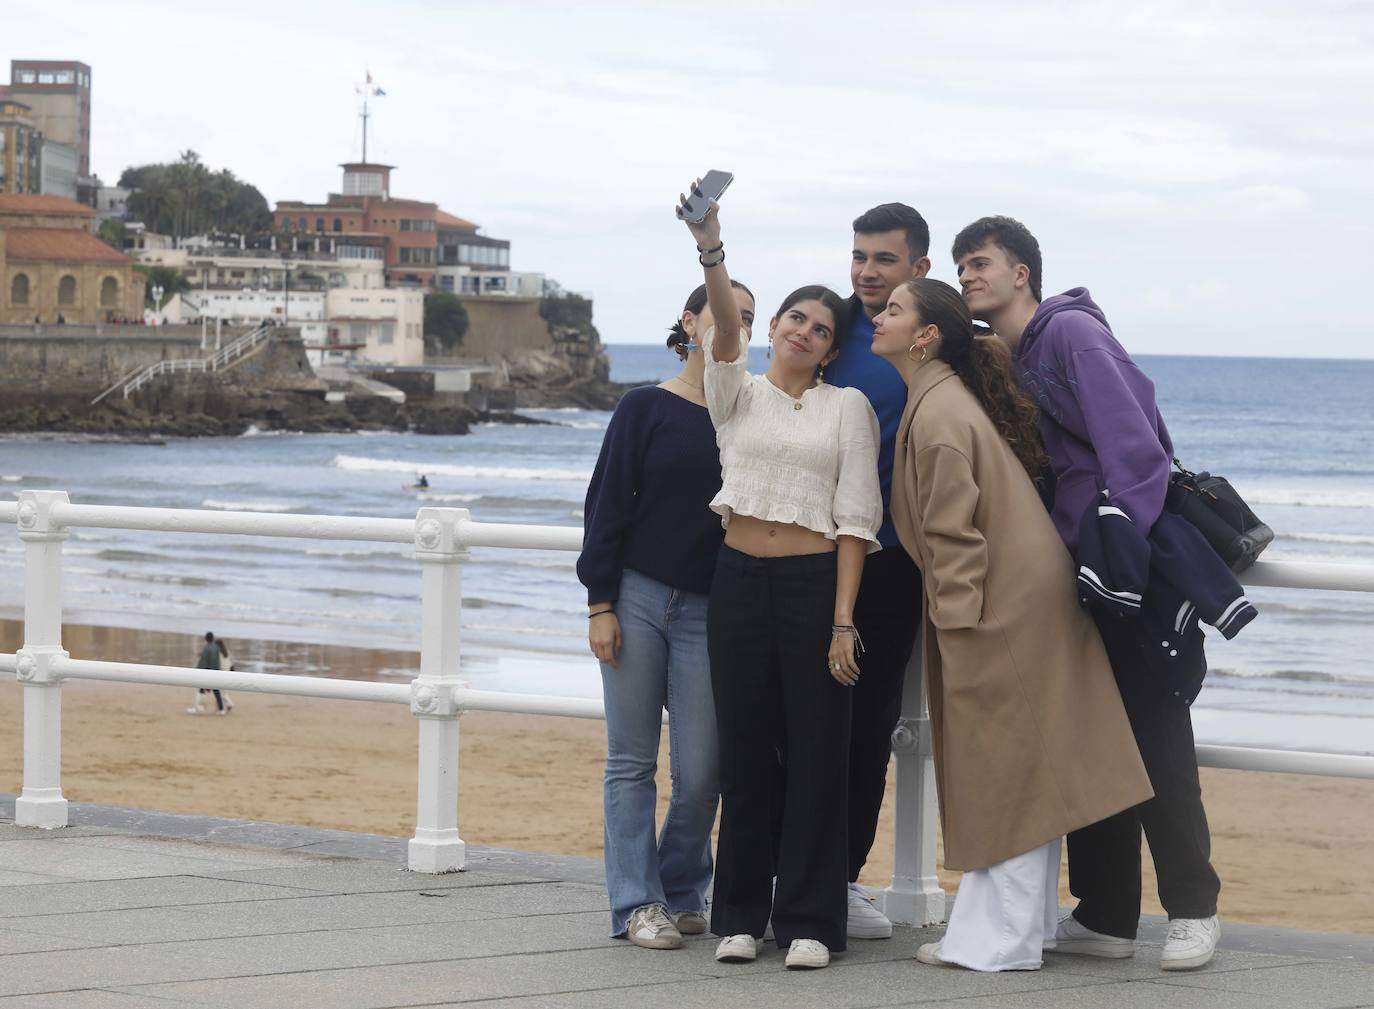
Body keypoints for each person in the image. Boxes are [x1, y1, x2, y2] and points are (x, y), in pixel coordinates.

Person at [952, 215, 1224, 971]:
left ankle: (1195, 908)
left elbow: (1138, 448)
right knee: (1091, 744)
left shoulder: (1070, 332)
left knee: (1155, 741)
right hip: (1074, 578)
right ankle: (1106, 913)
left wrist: (1119, 557)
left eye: (980, 263)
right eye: (961, 265)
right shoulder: (1009, 350)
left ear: (1021, 274)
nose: (969, 274)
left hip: (1120, 575)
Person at [873, 278, 1152, 971]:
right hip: (1022, 602)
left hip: (1000, 611)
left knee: (1006, 771)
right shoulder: (941, 399)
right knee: (1024, 772)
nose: (879, 317)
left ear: (926, 336)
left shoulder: (936, 412)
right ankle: (1005, 933)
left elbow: (953, 532)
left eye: (895, 310)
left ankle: (1000, 942)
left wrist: (957, 624)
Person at [678, 185, 882, 971]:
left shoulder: (849, 408)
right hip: (737, 582)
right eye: (796, 317)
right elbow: (721, 331)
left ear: (832, 349)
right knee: (747, 750)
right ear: (773, 327)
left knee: (818, 751)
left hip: (810, 587)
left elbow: (856, 520)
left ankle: (810, 920)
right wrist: (712, 241)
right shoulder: (736, 393)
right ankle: (738, 914)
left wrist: (842, 621)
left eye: (821, 328)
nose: (806, 330)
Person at [577, 278, 757, 950]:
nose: (738, 326)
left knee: (704, 768)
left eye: (748, 319)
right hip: (638, 596)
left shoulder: (746, 413)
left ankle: (681, 889)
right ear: (690, 321)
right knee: (630, 761)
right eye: (727, 314)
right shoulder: (643, 408)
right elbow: (605, 507)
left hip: (711, 608)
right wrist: (600, 602)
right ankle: (635, 903)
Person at [824, 202, 931, 938]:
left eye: (883, 259)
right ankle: (775, 873)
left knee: (870, 727)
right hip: (812, 553)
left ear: (918, 267)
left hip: (895, 563)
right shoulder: (830, 325)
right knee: (791, 723)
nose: (866, 271)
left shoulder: (936, 336)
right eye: (859, 256)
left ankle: (842, 880)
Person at [187, 632, 227, 715]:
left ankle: (196, 708)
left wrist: (198, 671)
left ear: (206, 639)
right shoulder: (216, 647)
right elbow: (217, 661)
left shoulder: (207, 648)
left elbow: (203, 662)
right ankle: (222, 710)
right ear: (212, 638)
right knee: (216, 691)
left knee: (201, 690)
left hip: (207, 673)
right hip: (215, 672)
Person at [214, 638, 236, 715]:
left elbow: (218, 664)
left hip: (222, 674)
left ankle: (229, 704)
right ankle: (219, 708)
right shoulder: (227, 652)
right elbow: (230, 663)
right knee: (223, 691)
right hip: (228, 673)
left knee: (222, 693)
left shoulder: (218, 653)